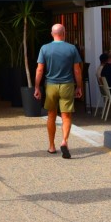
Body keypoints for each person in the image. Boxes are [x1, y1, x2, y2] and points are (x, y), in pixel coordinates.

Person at [34, 24, 83, 159]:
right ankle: (64, 142)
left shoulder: (45, 48)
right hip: (67, 85)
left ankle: (51, 146)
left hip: (50, 85)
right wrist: (79, 86)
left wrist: (37, 87)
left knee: (51, 115)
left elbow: (39, 69)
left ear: (52, 33)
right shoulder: (72, 48)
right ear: (64, 33)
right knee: (66, 115)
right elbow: (77, 70)